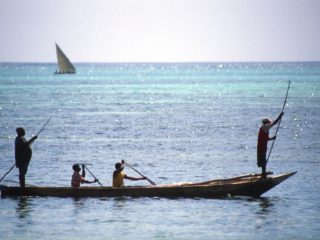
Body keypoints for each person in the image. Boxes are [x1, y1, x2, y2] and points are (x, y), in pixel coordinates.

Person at [257, 112, 284, 178]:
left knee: (263, 161)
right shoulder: (265, 126)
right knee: (263, 161)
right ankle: (263, 174)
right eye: (268, 122)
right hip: (262, 147)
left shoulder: (264, 128)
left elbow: (266, 138)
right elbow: (274, 123)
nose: (269, 123)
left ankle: (263, 173)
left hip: (262, 147)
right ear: (266, 122)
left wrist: (272, 138)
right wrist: (280, 116)